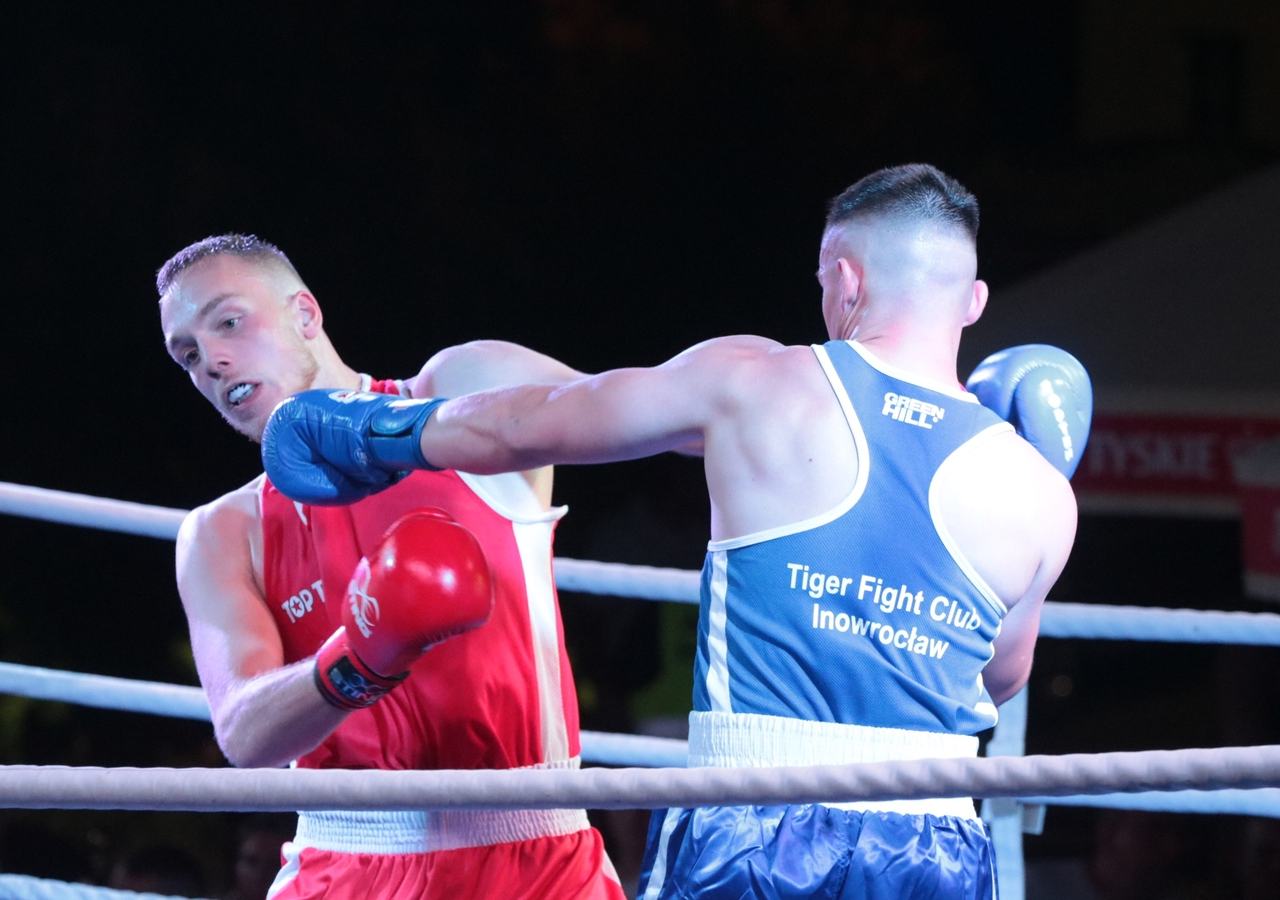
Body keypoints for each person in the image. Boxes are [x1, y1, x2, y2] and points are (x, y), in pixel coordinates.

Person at [262, 164, 1087, 898]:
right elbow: (999, 678)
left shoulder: (755, 382)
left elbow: (536, 420)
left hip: (760, 822)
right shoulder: (1043, 493)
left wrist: (377, 432)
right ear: (974, 301)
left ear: (844, 280)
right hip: (937, 840)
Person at [157, 234, 625, 900]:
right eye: (188, 354)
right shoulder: (223, 531)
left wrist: (770, 385)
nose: (212, 360)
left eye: (228, 322)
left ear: (304, 314)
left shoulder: (464, 390)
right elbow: (243, 733)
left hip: (535, 852)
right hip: (344, 862)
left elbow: (662, 411)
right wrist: (360, 658)